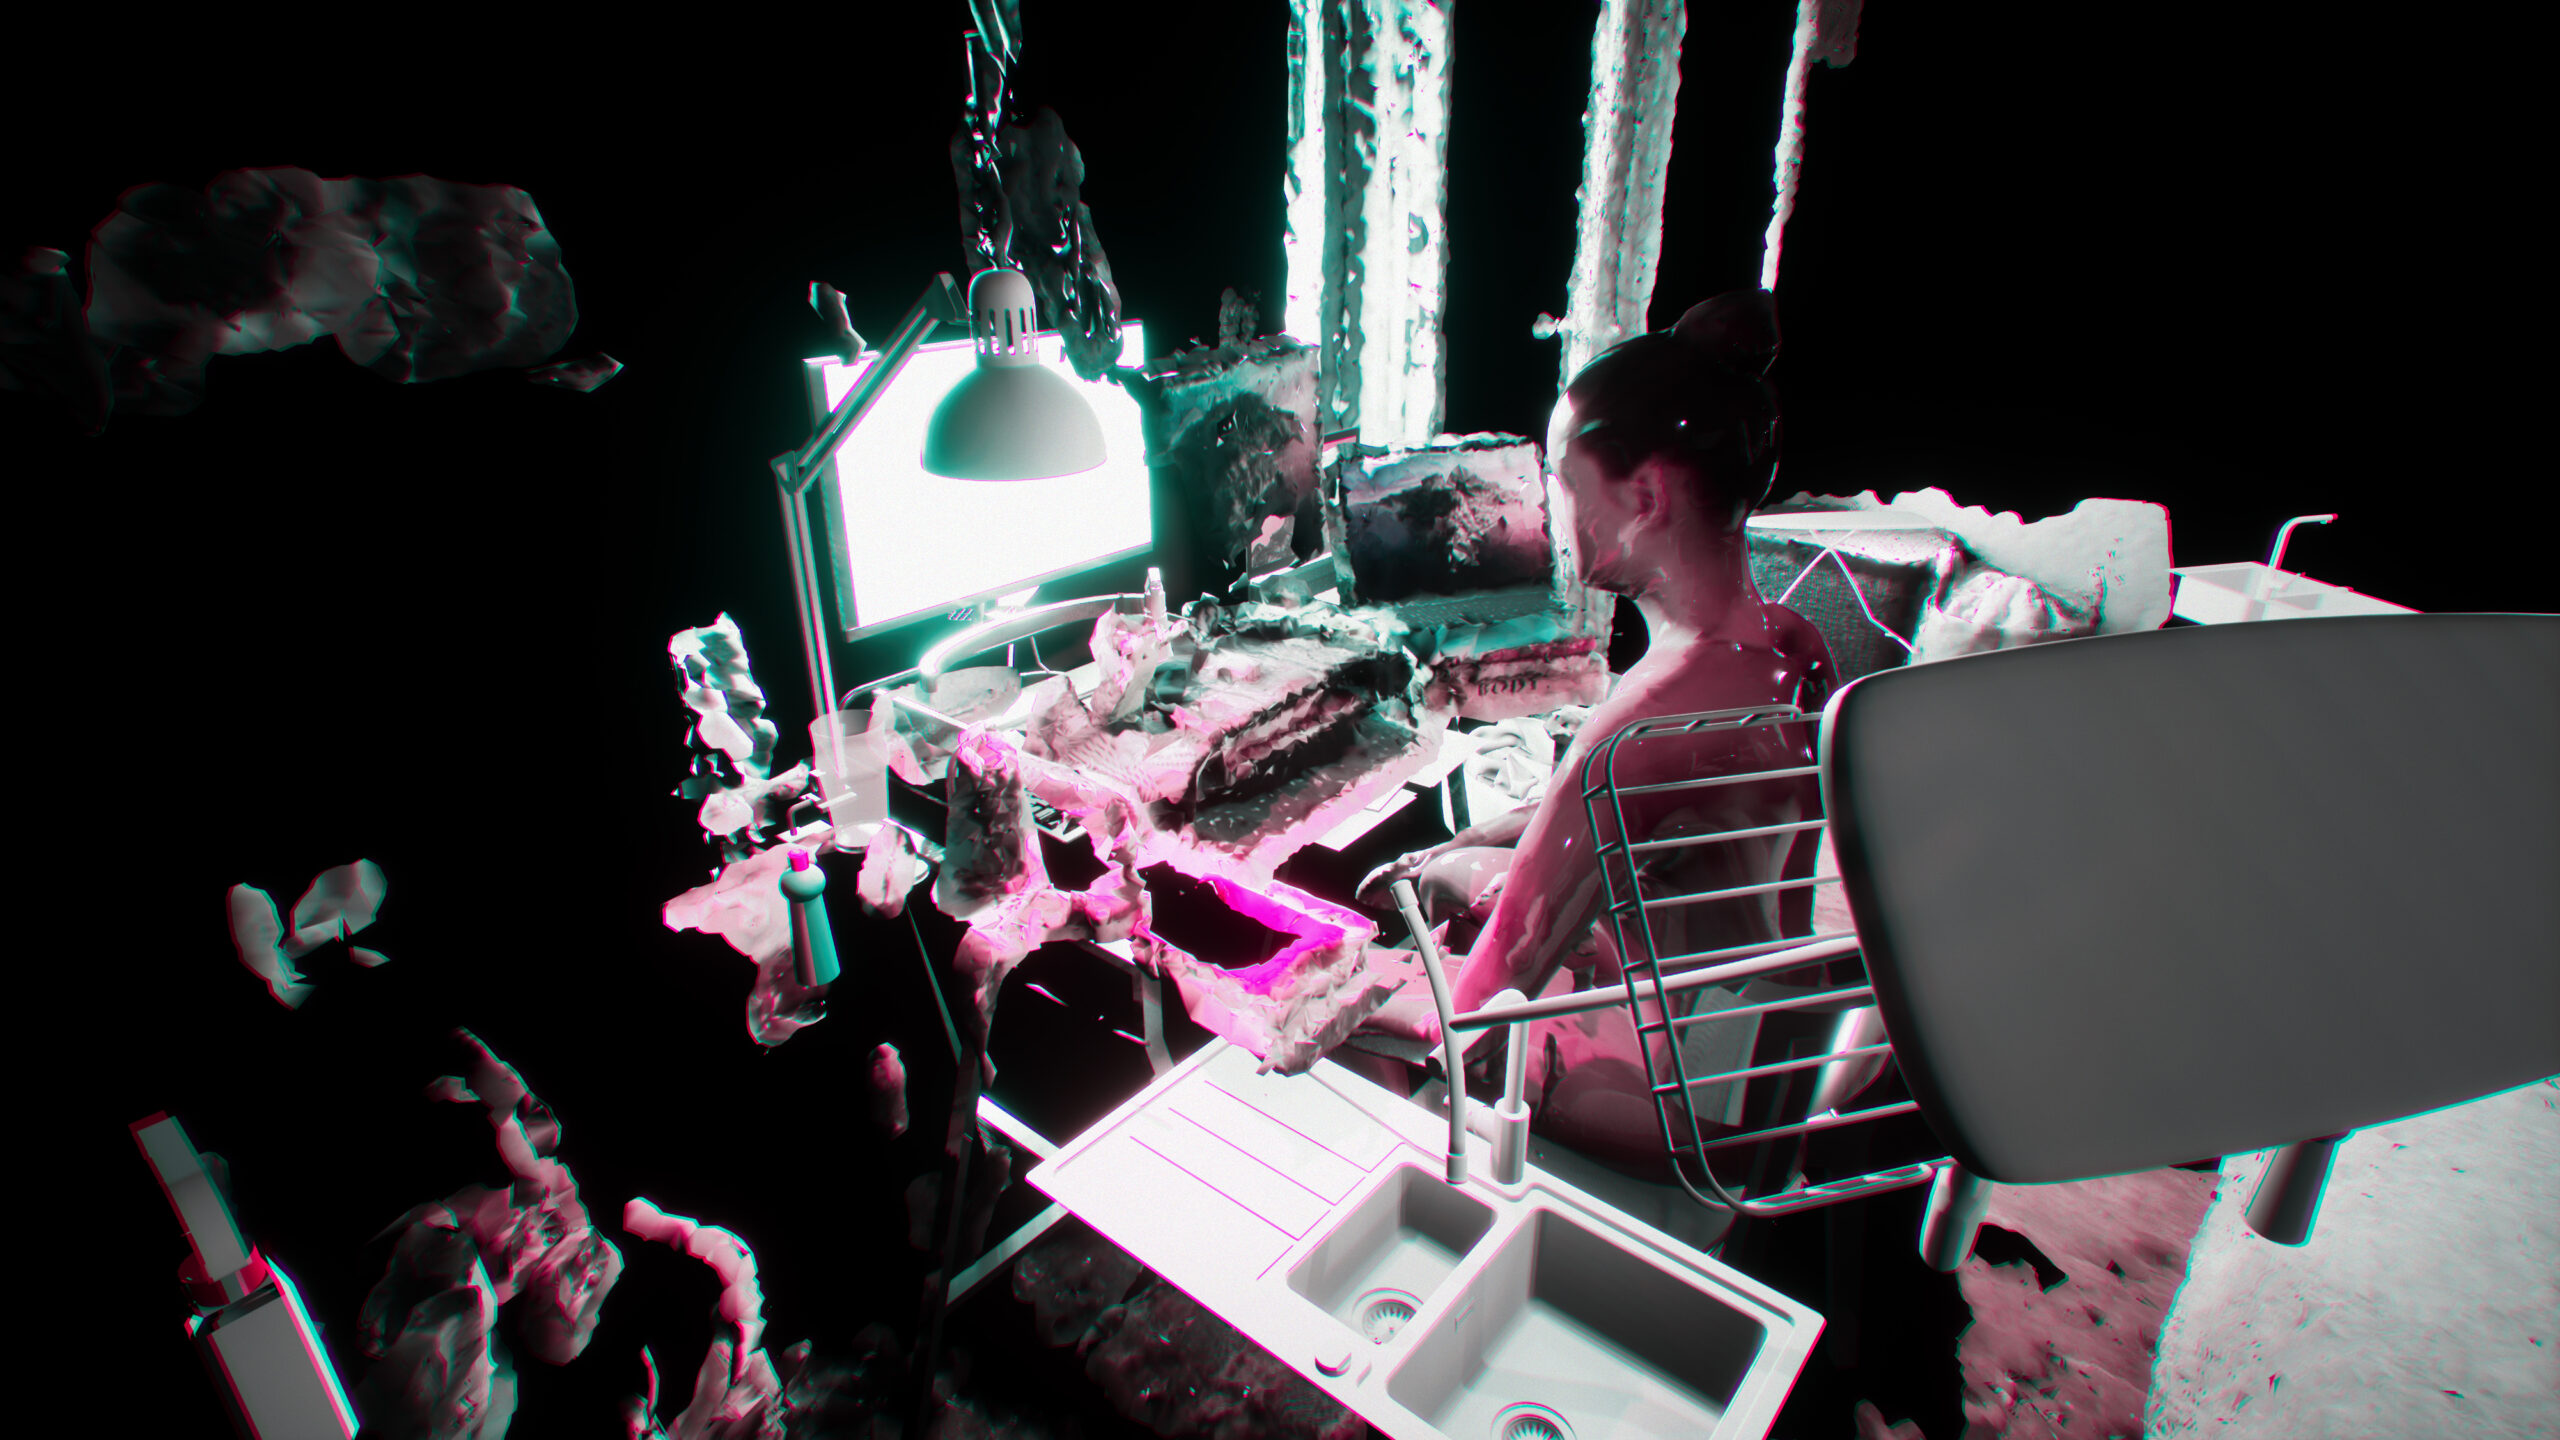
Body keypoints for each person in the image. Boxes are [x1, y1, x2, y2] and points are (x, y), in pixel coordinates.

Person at [1349, 288, 1845, 1181]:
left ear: (1646, 495)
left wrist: (1326, 987)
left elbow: (1479, 1011)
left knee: (1357, 997)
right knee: (1451, 876)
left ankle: (1427, 1192)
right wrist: (1463, 853)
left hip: (1673, 1107)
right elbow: (1682, 853)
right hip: (1750, 1039)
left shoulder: (1638, 726)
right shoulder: (1795, 647)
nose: (1554, 514)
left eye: (1567, 483)